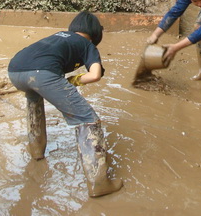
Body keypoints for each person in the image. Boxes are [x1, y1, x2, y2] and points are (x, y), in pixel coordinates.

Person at [8, 11, 123, 197]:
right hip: (42, 74)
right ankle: (100, 183)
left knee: (34, 100)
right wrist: (75, 80)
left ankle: (36, 151)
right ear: (95, 34)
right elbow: (95, 75)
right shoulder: (88, 45)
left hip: (15, 70)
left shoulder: (58, 36)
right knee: (88, 119)